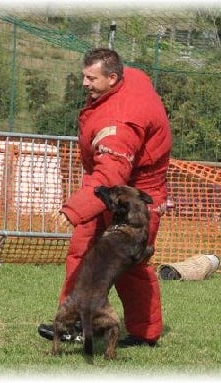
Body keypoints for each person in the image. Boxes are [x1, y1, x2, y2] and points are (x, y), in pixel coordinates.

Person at [38, 48, 172, 347]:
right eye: (84, 76)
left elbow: (110, 177)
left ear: (113, 77)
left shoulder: (119, 125)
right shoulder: (131, 78)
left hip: (135, 196)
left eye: (91, 78)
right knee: (83, 253)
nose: (84, 83)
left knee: (130, 265)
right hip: (119, 190)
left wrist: (74, 209)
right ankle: (74, 323)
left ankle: (144, 333)